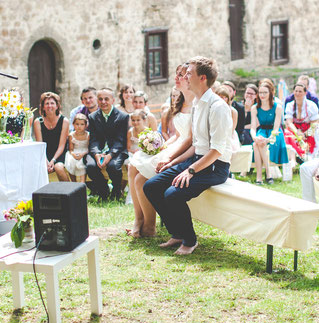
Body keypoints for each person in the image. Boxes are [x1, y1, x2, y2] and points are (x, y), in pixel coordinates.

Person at [144, 56, 233, 256]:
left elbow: (216, 150)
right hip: (197, 159)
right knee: (151, 186)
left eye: (189, 73)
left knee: (172, 194)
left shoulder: (218, 107)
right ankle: (177, 233)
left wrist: (190, 171)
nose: (185, 76)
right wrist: (172, 162)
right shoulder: (197, 103)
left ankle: (190, 240)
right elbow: (195, 142)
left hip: (215, 166)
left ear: (202, 78)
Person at [127, 65, 194, 237]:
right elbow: (178, 135)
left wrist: (169, 154)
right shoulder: (180, 103)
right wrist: (163, 145)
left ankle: (149, 226)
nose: (177, 77)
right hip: (176, 145)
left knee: (141, 178)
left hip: (187, 151)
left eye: (181, 74)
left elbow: (189, 139)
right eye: (177, 73)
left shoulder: (196, 104)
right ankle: (138, 219)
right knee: (132, 166)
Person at [86, 87, 130, 200]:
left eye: (106, 99)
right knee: (90, 166)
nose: (103, 102)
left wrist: (110, 155)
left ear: (113, 100)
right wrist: (96, 154)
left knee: (113, 166)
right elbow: (94, 139)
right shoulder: (92, 117)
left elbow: (121, 141)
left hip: (117, 150)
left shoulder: (123, 117)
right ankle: (103, 190)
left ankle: (116, 191)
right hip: (99, 150)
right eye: (100, 99)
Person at [251, 78, 288, 184]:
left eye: (265, 92)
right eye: (260, 92)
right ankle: (264, 175)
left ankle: (264, 175)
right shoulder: (255, 108)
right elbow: (253, 128)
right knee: (256, 143)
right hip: (261, 131)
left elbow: (276, 128)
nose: (262, 95)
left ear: (271, 93)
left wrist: (267, 140)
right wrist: (255, 137)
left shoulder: (277, 107)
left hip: (274, 134)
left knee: (259, 144)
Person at [33, 91, 69, 181]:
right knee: (37, 169)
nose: (49, 106)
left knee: (59, 168)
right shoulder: (38, 122)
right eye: (47, 104)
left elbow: (62, 145)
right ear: (43, 107)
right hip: (44, 153)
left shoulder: (64, 121)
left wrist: (53, 160)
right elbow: (40, 145)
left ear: (57, 106)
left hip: (60, 153)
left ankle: (71, 192)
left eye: (52, 103)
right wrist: (46, 161)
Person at [284, 83, 319, 160]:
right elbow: (289, 122)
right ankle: (293, 157)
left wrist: (306, 133)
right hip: (295, 129)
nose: (297, 93)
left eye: (300, 91)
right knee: (287, 133)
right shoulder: (290, 105)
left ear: (305, 93)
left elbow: (315, 123)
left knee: (316, 131)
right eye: (296, 91)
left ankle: (311, 156)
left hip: (309, 128)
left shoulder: (311, 105)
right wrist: (297, 132)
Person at [214, 85, 242, 153]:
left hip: (229, 136)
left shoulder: (233, 111)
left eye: (225, 97)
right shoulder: (213, 109)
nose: (223, 99)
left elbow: (232, 130)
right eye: (220, 97)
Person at [64, 113, 89, 182]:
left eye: (82, 124)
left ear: (86, 125)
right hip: (75, 151)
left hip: (85, 152)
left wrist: (83, 154)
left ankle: (82, 183)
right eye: (77, 124)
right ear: (73, 125)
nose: (79, 126)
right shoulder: (71, 135)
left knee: (82, 162)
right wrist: (73, 154)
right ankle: (74, 182)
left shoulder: (88, 135)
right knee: (71, 161)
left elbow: (89, 148)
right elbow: (71, 149)